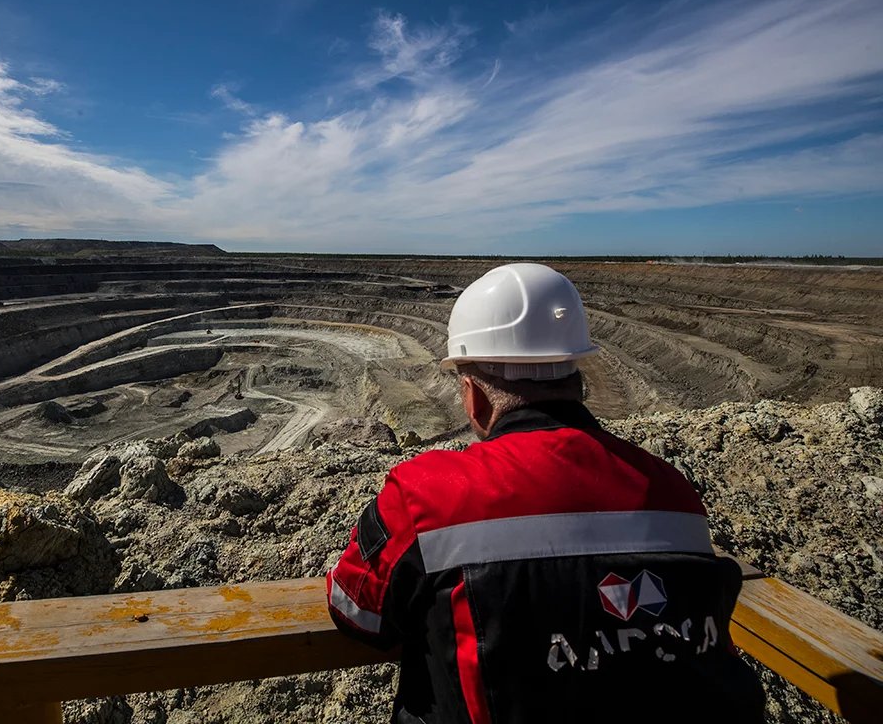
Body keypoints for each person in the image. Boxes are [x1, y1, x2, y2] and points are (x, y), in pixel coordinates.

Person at [326, 263, 765, 724]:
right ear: (578, 383)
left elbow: (355, 612)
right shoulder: (672, 490)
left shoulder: (427, 494)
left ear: (473, 396)